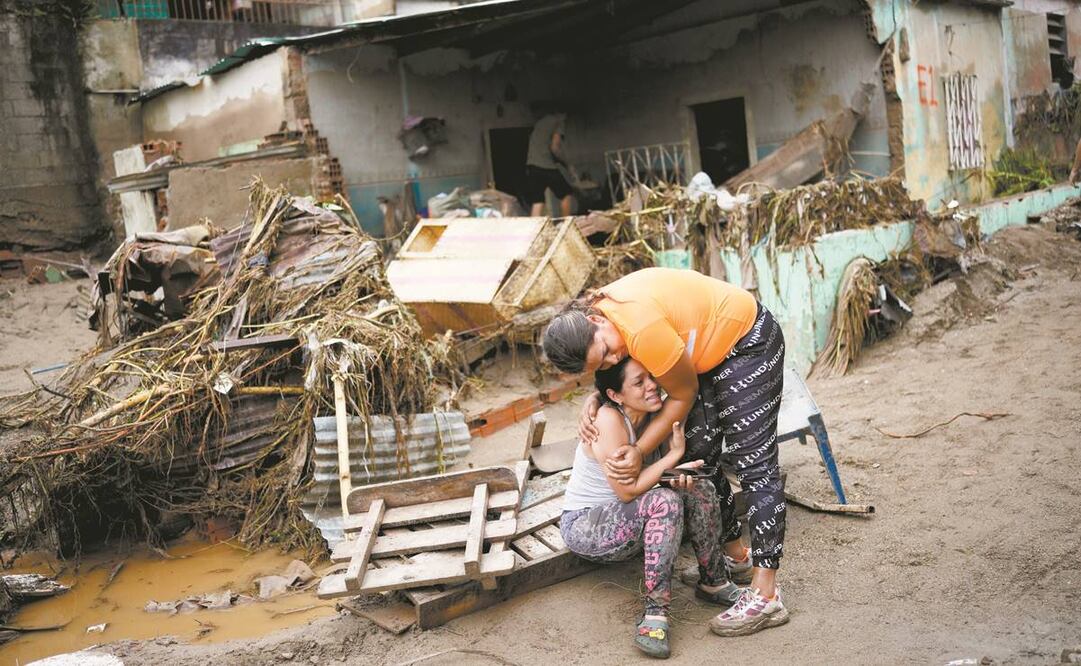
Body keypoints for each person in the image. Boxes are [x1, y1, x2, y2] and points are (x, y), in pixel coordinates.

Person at [544, 266, 789, 638]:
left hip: (746, 341)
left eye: (608, 352)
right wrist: (597, 396)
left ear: (594, 319)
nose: (613, 359)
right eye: (602, 365)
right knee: (699, 453)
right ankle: (737, 558)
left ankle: (765, 593)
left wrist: (638, 450)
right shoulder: (607, 323)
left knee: (753, 462)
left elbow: (683, 394)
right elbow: (618, 373)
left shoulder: (639, 330)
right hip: (711, 353)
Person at [560, 357, 741, 659]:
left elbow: (644, 480)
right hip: (586, 525)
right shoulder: (608, 420)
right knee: (665, 501)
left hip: (627, 512)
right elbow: (627, 490)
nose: (651, 386)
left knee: (700, 487)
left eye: (650, 377)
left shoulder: (651, 416)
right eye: (638, 382)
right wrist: (674, 456)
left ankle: (714, 581)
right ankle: (655, 614)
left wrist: (675, 474)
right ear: (616, 396)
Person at [526, 112, 576, 217]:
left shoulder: (541, 122)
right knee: (566, 194)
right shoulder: (559, 122)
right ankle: (566, 225)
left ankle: (535, 231)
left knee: (538, 201)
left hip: (532, 166)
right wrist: (568, 164)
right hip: (546, 166)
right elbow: (555, 148)